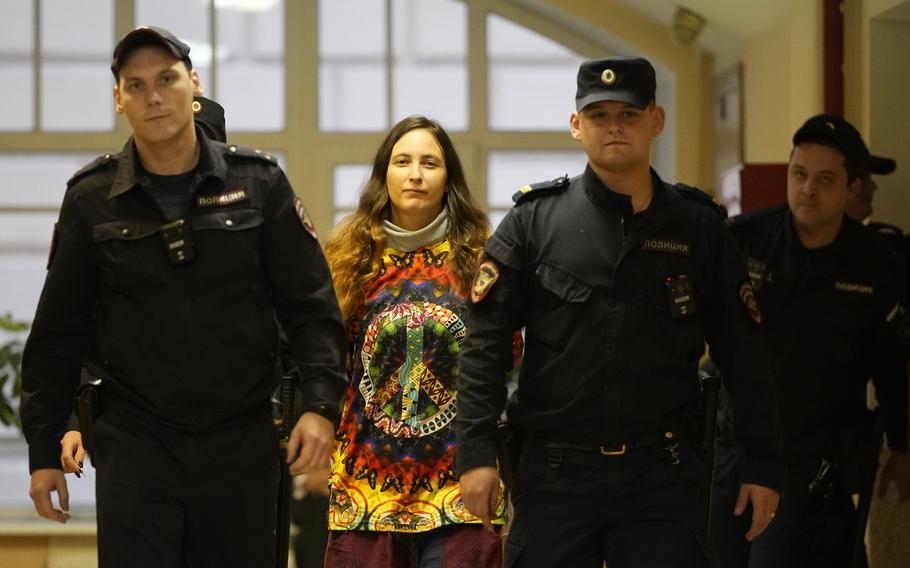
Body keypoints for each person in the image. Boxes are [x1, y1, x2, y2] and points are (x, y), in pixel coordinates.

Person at [21, 25, 347, 567]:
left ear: (193, 84)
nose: (153, 97)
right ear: (118, 99)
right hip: (136, 446)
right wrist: (43, 450)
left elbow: (311, 308)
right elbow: (57, 335)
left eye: (166, 80)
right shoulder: (91, 199)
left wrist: (320, 406)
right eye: (136, 85)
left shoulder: (260, 183)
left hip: (242, 442)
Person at [454, 56, 784, 568]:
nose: (613, 126)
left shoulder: (699, 228)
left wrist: (763, 461)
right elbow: (483, 344)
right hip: (555, 475)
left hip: (662, 476)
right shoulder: (532, 222)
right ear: (576, 126)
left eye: (628, 114)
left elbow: (744, 354)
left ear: (656, 121)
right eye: (599, 115)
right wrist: (475, 454)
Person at [711, 114, 910, 567]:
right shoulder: (745, 242)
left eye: (824, 180)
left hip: (814, 458)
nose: (808, 189)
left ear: (850, 189)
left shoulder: (875, 264)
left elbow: (891, 362)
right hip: (735, 450)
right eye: (799, 175)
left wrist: (901, 445)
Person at [322, 115, 508, 567]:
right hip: (364, 495)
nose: (416, 174)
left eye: (431, 163)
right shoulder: (348, 260)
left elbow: (509, 362)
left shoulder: (484, 258)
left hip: (460, 491)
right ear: (384, 174)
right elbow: (322, 360)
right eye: (403, 161)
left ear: (450, 179)